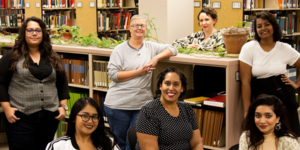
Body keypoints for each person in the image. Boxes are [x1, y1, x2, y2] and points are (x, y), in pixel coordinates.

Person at [104, 15, 178, 150]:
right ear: (129, 28)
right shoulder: (119, 50)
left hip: (141, 105)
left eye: (142, 26)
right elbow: (114, 75)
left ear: (146, 29)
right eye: (136, 25)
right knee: (119, 144)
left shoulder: (150, 47)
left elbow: (173, 49)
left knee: (135, 143)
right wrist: (139, 72)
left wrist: (156, 58)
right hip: (118, 105)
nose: (139, 28)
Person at [0, 17, 69, 150]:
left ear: (43, 33)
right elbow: (0, 82)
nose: (34, 33)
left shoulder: (52, 56)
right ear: (23, 33)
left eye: (38, 30)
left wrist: (63, 106)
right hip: (20, 118)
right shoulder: (12, 56)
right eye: (30, 30)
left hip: (49, 117)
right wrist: (7, 109)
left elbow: (62, 82)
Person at [239, 11, 300, 136]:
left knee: (288, 137)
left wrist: (297, 84)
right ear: (256, 30)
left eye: (267, 24)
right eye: (259, 26)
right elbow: (245, 82)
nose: (263, 29)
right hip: (261, 99)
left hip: (284, 98)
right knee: (265, 137)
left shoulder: (285, 48)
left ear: (273, 26)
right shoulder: (249, 48)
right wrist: (247, 110)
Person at [136, 67, 203, 150]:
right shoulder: (149, 112)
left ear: (182, 88)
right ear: (160, 86)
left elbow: (197, 144)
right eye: (167, 83)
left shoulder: (187, 109)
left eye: (176, 84)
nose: (171, 88)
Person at [172, 7, 226, 98]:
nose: (203, 23)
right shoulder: (196, 36)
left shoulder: (220, 35)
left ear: (214, 20)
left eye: (206, 20)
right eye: (201, 20)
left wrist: (200, 48)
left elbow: (220, 50)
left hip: (216, 72)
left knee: (214, 101)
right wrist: (188, 46)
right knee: (199, 98)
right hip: (200, 71)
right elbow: (175, 43)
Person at [46, 97, 120, 150]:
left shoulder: (110, 143)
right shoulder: (57, 146)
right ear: (74, 118)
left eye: (94, 117)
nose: (90, 121)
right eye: (84, 116)